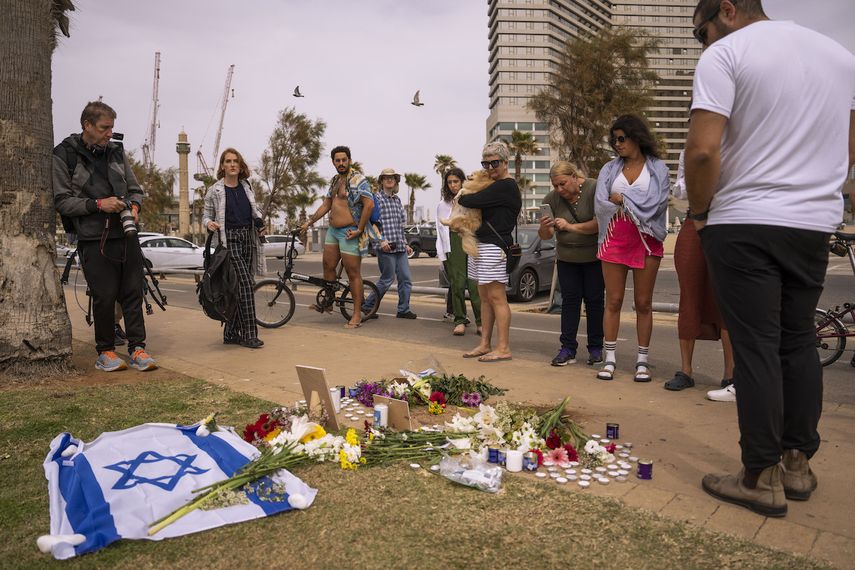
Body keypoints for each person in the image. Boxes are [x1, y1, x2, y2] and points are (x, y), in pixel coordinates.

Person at [687, 0, 855, 517]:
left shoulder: (726, 53)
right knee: (798, 339)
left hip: (743, 219)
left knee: (756, 345)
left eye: (702, 31)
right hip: (811, 221)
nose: (703, 41)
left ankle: (758, 476)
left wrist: (699, 212)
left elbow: (702, 151)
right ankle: (797, 464)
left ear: (728, 9)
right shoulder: (840, 55)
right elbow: (848, 148)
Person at [53, 101, 157, 372]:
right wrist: (100, 204)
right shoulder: (65, 154)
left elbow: (135, 190)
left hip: (126, 233)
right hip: (92, 236)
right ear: (87, 125)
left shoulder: (115, 151)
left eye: (112, 127)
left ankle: (138, 349)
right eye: (104, 128)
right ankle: (106, 352)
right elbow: (62, 201)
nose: (110, 133)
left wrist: (133, 207)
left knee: (133, 292)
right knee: (104, 295)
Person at [593, 114, 670, 382]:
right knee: (612, 301)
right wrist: (622, 202)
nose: (617, 144)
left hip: (647, 238)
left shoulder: (658, 168)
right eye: (613, 140)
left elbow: (657, 203)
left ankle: (642, 361)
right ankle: (610, 359)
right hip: (615, 235)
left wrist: (623, 198)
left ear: (637, 137)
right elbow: (601, 203)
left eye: (621, 138)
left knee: (643, 303)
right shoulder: (608, 169)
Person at [664, 148, 735, 401]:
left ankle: (730, 375)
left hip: (728, 222)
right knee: (689, 296)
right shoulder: (689, 151)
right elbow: (680, 188)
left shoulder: (736, 144)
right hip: (694, 221)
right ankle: (685, 371)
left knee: (726, 299)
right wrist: (696, 179)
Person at [458, 141, 522, 362]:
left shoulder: (505, 186)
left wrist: (467, 192)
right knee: (484, 297)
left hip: (495, 247)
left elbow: (467, 199)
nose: (490, 168)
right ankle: (485, 343)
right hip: (482, 245)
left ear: (505, 162)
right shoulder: (494, 184)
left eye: (494, 163)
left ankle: (503, 347)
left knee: (497, 297)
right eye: (485, 163)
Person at [539, 161, 604, 367]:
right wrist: (545, 227)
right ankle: (568, 348)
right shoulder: (552, 199)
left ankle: (595, 348)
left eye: (563, 184)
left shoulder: (594, 188)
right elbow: (546, 236)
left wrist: (569, 226)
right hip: (567, 259)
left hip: (594, 258)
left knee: (594, 303)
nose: (559, 190)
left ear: (575, 177)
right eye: (555, 185)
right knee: (569, 303)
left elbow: (600, 224)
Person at [301, 146, 374, 329]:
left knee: (352, 273)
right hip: (333, 231)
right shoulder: (335, 180)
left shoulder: (358, 179)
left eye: (344, 160)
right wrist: (308, 222)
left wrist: (359, 228)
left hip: (349, 231)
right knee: (328, 266)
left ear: (349, 160)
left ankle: (357, 314)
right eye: (337, 160)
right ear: (333, 161)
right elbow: (327, 204)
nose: (341, 163)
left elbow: (369, 205)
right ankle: (329, 302)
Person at [203, 148, 266, 349]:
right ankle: (249, 334)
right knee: (246, 285)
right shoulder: (215, 190)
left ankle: (230, 333)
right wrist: (209, 224)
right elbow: (205, 215)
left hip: (248, 238)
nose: (232, 164)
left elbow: (253, 211)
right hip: (228, 241)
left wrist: (258, 221)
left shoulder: (247, 187)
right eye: (228, 161)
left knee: (239, 288)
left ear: (240, 166)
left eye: (235, 161)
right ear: (222, 166)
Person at [362, 168, 417, 320]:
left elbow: (400, 225)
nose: (389, 179)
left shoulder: (397, 200)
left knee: (406, 279)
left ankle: (403, 310)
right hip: (385, 247)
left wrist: (405, 243)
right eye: (386, 177)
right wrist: (381, 241)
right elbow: (371, 223)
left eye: (392, 177)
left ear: (396, 181)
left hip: (399, 247)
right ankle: (367, 306)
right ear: (381, 181)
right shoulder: (376, 199)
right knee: (387, 279)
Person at [436, 167, 482, 336]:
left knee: (474, 284)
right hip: (452, 244)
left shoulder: (472, 199)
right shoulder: (442, 204)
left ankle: (480, 322)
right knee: (457, 284)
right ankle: (460, 320)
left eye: (456, 181)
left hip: (469, 239)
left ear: (462, 182)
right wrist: (442, 254)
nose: (453, 185)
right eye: (449, 182)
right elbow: (440, 231)